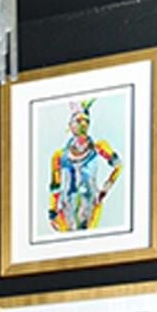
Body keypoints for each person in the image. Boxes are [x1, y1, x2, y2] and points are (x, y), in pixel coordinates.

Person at [49, 99, 123, 234]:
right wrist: (52, 212)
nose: (83, 124)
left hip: (91, 205)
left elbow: (118, 166)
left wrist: (105, 189)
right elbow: (55, 187)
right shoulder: (59, 156)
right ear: (70, 125)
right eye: (78, 121)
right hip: (67, 208)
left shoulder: (98, 147)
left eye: (86, 121)